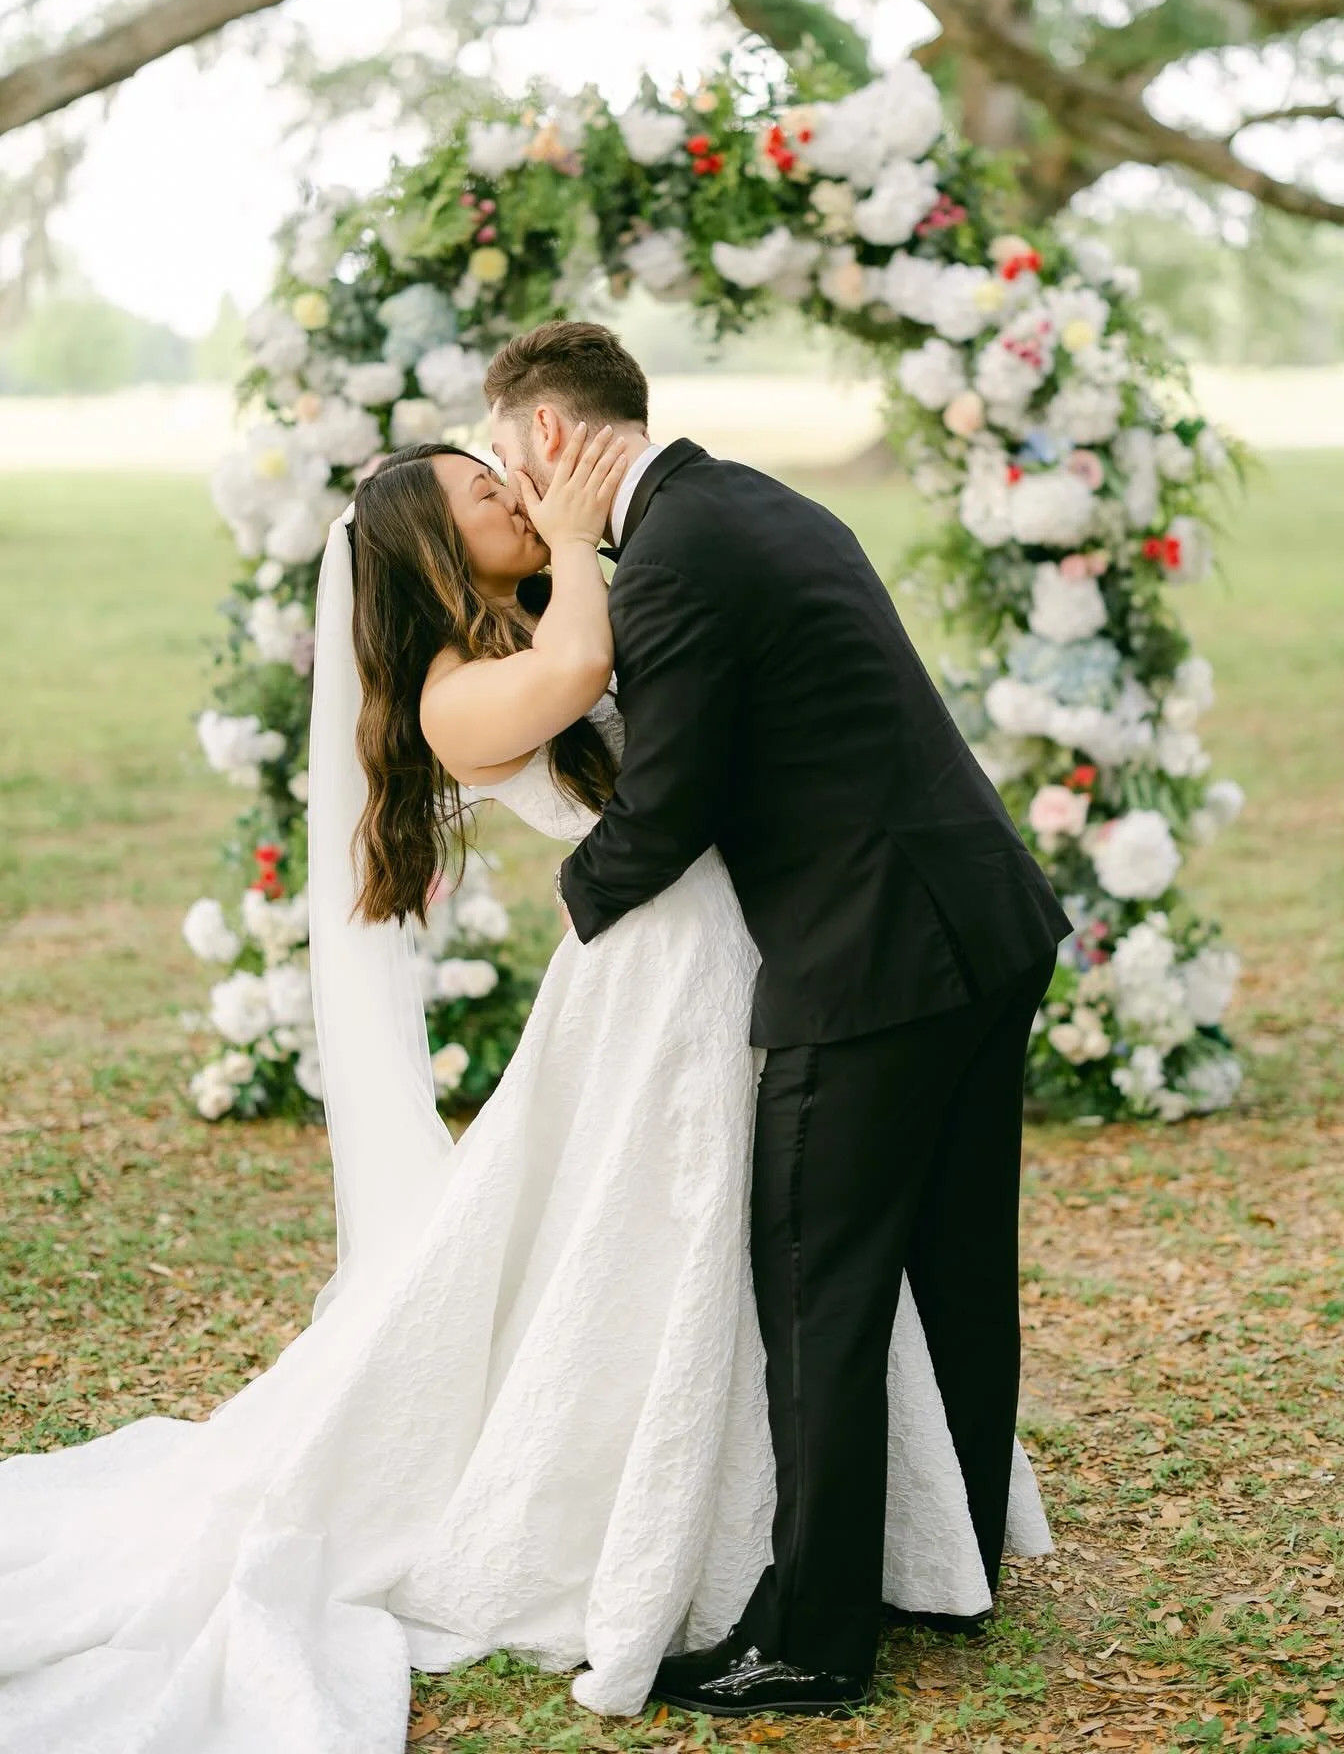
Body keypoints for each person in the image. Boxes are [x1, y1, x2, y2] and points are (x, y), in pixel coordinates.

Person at [0, 398, 1050, 1752]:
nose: (509, 494)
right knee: (704, 1251)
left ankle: (837, 1549)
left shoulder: (580, 592)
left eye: (503, 476)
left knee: (781, 1259)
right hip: (650, 973)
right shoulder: (460, 686)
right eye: (478, 495)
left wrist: (575, 544)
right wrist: (575, 535)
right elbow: (578, 679)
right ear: (434, 552)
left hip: (746, 949)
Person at [485, 320, 1072, 1717]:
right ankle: (955, 1558)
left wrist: (575, 915)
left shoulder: (679, 550)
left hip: (875, 963)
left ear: (556, 436)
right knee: (954, 1265)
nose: (511, 480)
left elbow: (670, 804)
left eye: (509, 454)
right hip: (980, 920)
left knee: (815, 1282)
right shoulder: (747, 499)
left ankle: (812, 1636)